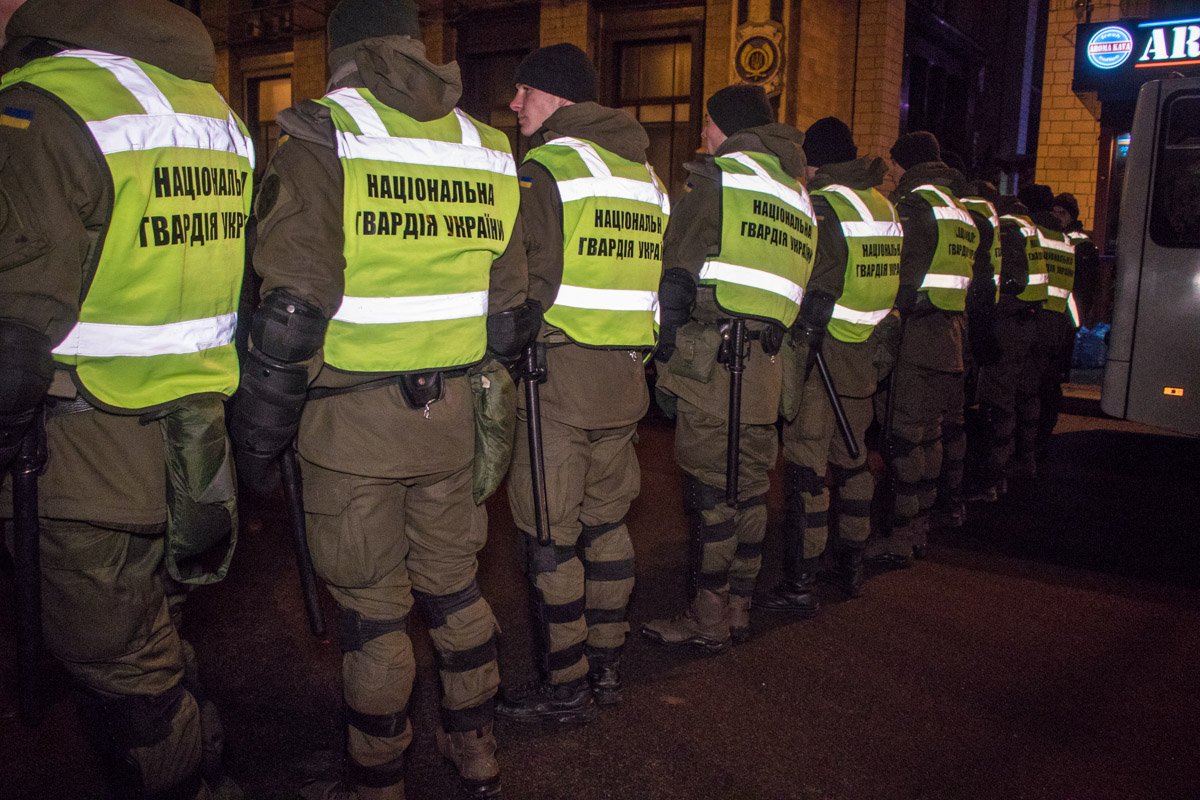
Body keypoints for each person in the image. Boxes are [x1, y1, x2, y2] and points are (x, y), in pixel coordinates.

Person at [234, 1, 534, 796]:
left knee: (374, 614)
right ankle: (475, 744)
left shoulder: (325, 133)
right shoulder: (486, 146)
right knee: (454, 586)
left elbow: (293, 305)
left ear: (339, 53)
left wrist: (257, 436)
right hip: (452, 423)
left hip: (351, 429)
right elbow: (508, 314)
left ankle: (377, 777)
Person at [0, 1, 251, 797]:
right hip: (192, 443)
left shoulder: (43, 104)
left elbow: (15, 321)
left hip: (79, 452)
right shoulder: (211, 111)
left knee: (121, 673)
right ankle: (207, 762)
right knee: (159, 632)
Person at [495, 43, 668, 724]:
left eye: (524, 92)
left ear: (557, 98)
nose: (514, 105)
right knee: (606, 525)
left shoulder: (550, 167)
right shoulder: (645, 176)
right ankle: (606, 665)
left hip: (558, 382)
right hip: (625, 380)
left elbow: (524, 282)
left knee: (549, 535)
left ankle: (563, 684)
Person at [642, 84, 815, 650]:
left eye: (708, 124)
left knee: (710, 491)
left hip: (714, 364)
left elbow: (676, 273)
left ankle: (707, 615)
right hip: (768, 366)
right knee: (750, 486)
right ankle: (739, 602)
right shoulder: (794, 191)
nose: (702, 136)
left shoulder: (721, 181)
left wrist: (661, 347)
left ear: (730, 126)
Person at [758, 117, 901, 612]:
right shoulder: (881, 204)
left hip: (822, 352)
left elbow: (814, 283)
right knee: (854, 459)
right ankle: (853, 564)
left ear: (816, 161)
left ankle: (801, 579)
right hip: (866, 351)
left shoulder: (825, 206)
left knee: (807, 467)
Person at [864, 131, 981, 568]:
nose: (891, 173)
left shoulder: (917, 207)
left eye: (894, 165)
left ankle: (900, 533)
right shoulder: (960, 211)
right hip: (949, 337)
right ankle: (920, 527)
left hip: (915, 336)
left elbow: (902, 279)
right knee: (929, 437)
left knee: (905, 439)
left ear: (908, 164)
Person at [969, 192, 1045, 501]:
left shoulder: (1010, 229)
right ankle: (1019, 463)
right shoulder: (1030, 230)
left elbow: (1014, 280)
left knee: (998, 402)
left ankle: (994, 478)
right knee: (1019, 398)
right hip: (1030, 322)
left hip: (1010, 323)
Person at [1020, 183, 1077, 463]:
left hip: (1033, 319)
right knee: (1041, 391)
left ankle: (1021, 453)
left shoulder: (1034, 235)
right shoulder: (1065, 240)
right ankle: (1033, 450)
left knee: (1024, 392)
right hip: (1055, 325)